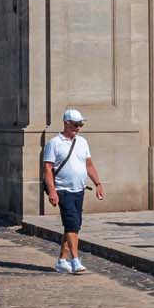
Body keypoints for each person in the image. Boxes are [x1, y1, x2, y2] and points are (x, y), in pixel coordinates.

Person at [42, 107, 104, 273]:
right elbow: (47, 169)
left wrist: (98, 183)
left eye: (80, 125)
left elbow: (89, 165)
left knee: (74, 226)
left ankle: (62, 260)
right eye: (76, 124)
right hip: (63, 190)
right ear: (66, 123)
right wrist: (52, 191)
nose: (78, 128)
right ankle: (75, 260)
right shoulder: (54, 143)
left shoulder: (82, 142)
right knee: (71, 224)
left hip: (79, 189)